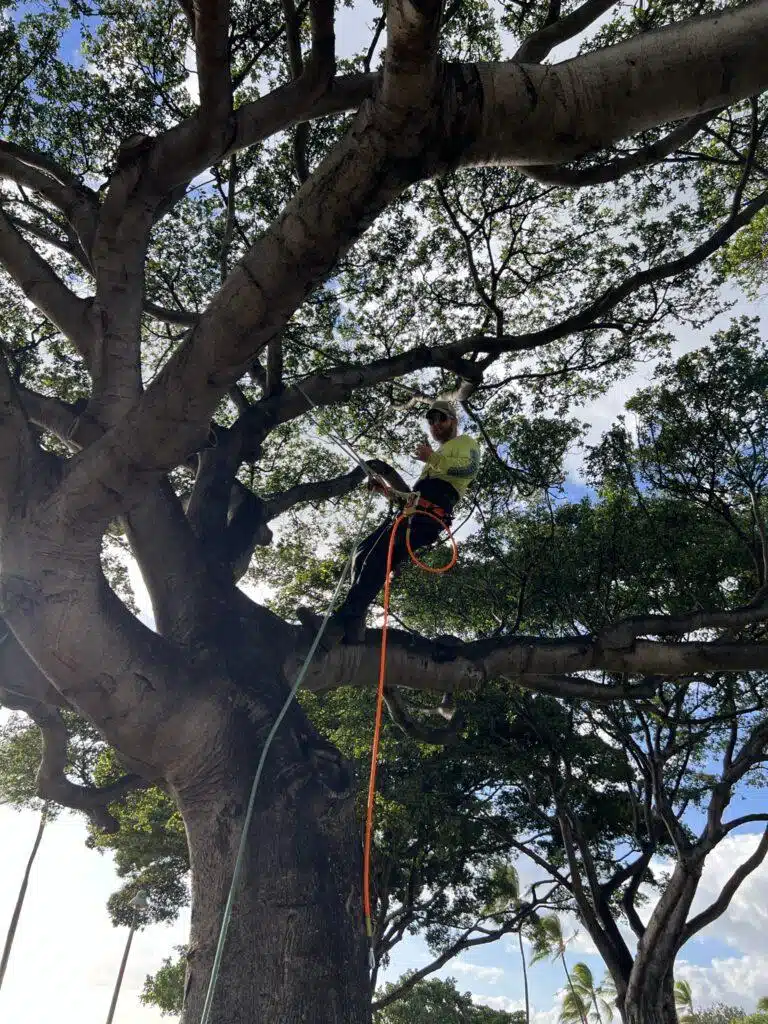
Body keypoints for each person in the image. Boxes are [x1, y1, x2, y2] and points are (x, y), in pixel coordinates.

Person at [307, 399, 480, 646]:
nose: (435, 424)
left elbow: (469, 470)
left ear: (453, 420)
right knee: (361, 553)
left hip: (430, 518)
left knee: (378, 557)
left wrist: (433, 459)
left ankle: (338, 625)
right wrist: (385, 491)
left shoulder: (465, 443)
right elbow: (412, 498)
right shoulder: (435, 460)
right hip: (411, 514)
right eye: (431, 421)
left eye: (441, 418)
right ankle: (354, 623)